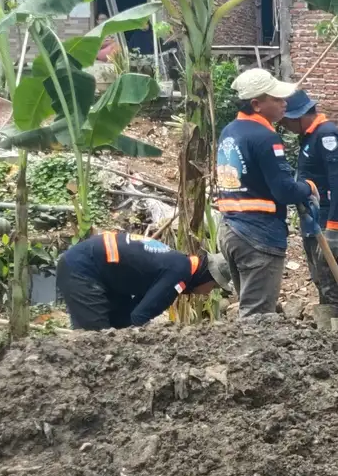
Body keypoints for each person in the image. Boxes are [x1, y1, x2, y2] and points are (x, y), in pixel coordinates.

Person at [214, 68, 318, 317]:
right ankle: (247, 355)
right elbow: (284, 191)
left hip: (231, 229)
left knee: (248, 309)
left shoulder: (230, 131)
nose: (285, 104)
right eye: (277, 99)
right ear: (257, 104)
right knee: (257, 318)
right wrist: (308, 187)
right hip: (257, 234)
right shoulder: (265, 137)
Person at [57, 230, 231, 330]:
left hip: (102, 272)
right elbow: (140, 317)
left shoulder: (177, 263)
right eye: (213, 286)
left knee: (119, 324)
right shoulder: (179, 275)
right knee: (96, 341)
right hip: (83, 269)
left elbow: (131, 316)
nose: (208, 293)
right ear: (207, 276)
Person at [281, 90, 338, 331]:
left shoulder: (327, 135)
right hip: (313, 219)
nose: (285, 127)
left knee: (331, 279)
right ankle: (329, 328)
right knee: (321, 277)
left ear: (298, 116)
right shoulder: (309, 136)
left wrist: (333, 228)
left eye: (286, 121)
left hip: (327, 220)